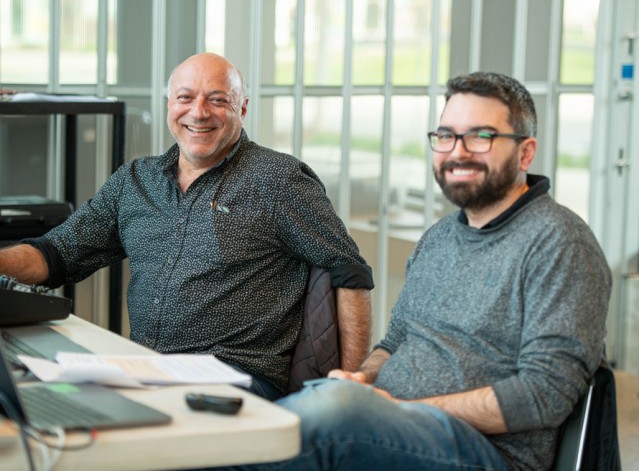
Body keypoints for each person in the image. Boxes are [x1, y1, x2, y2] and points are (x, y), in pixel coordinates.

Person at [214, 72, 611, 470]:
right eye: (446, 135)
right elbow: (396, 341)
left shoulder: (561, 243)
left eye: (481, 136)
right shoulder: (439, 238)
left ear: (525, 153)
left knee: (309, 426)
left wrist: (399, 408)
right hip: (394, 427)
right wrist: (364, 380)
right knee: (274, 420)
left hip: (488, 454)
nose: (458, 151)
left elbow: (545, 394)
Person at [0, 53, 374, 400]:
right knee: (38, 404)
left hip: (234, 378)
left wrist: (350, 387)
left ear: (242, 108)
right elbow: (56, 253)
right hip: (145, 368)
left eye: (217, 100)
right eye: (185, 98)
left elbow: (349, 270)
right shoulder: (134, 181)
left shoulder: (279, 180)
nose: (199, 113)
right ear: (169, 106)